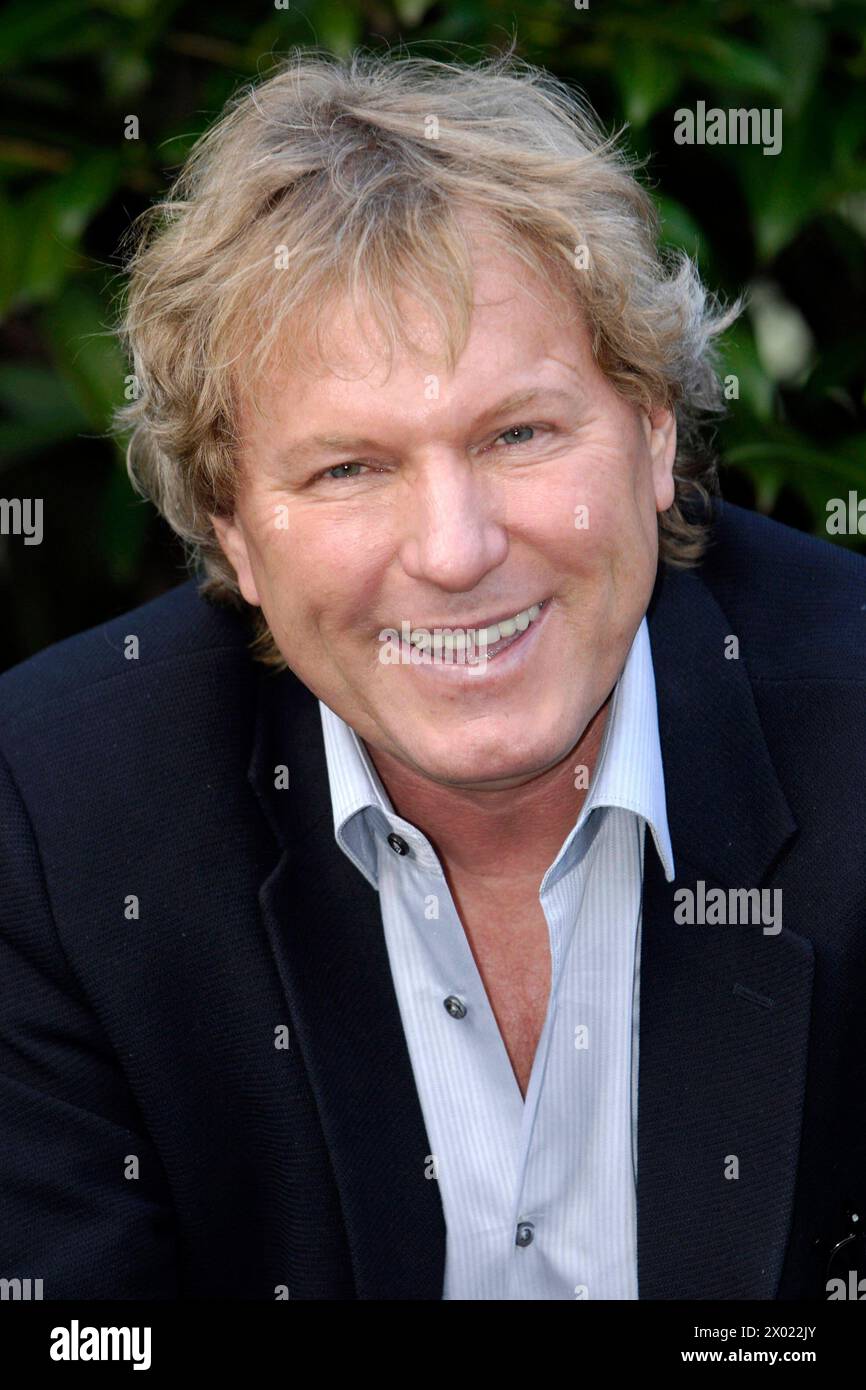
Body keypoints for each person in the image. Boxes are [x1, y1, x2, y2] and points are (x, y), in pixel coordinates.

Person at [1, 48, 863, 1302]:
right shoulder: (53, 821)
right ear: (231, 530)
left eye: (518, 434)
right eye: (347, 469)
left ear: (655, 433)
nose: (454, 552)